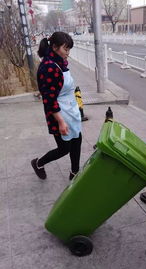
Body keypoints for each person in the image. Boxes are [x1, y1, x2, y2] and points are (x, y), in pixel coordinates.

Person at [31, 31, 82, 181]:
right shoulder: (49, 67)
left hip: (70, 110)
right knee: (64, 148)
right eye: (65, 49)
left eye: (69, 49)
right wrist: (60, 121)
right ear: (54, 47)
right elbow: (49, 99)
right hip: (58, 113)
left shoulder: (60, 62)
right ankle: (38, 163)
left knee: (77, 139)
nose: (68, 53)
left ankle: (74, 173)